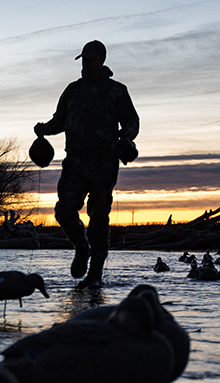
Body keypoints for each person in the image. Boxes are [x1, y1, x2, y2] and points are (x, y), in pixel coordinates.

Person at [35, 40, 139, 289]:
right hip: (75, 163)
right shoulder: (72, 90)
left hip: (104, 162)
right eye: (84, 58)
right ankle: (81, 248)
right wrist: (44, 130)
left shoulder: (117, 91)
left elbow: (132, 121)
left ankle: (96, 272)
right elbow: (59, 120)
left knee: (99, 216)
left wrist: (126, 137)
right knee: (64, 211)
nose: (86, 62)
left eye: (91, 58)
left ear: (101, 59)